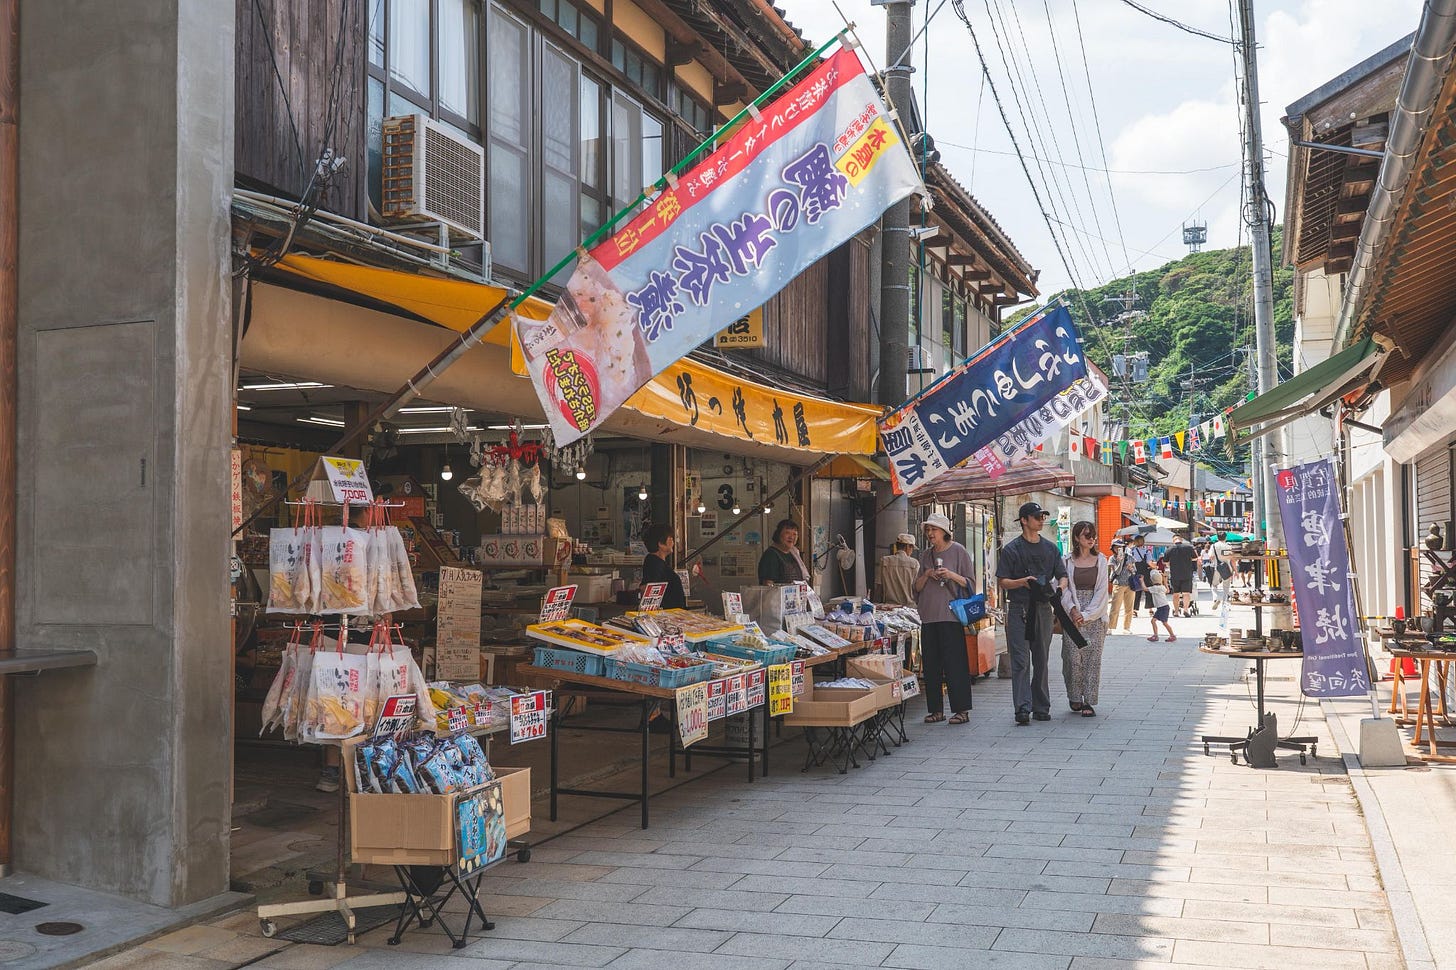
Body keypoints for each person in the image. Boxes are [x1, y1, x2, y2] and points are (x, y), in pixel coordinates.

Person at [996, 501, 1068, 726]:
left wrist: (1059, 589)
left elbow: (1063, 575)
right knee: (1020, 660)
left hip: (1044, 608)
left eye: (1043, 516)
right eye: (1037, 517)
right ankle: (1022, 708)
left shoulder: (1050, 548)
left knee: (1041, 659)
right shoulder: (1012, 549)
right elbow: (1003, 581)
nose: (1041, 520)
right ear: (1024, 520)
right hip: (1019, 608)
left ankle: (1041, 706)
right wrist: (1023, 582)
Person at [913, 512, 976, 725]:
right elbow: (917, 588)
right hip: (929, 616)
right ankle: (936, 710)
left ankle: (961, 710)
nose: (930, 533)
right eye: (928, 530)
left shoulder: (959, 551)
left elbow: (970, 583)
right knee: (931, 666)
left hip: (951, 616)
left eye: (934, 529)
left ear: (944, 532)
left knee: (955, 664)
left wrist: (950, 575)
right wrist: (927, 574)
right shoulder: (925, 555)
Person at [1061, 521, 1109, 717]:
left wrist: (1087, 614)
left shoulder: (1101, 560)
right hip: (1071, 613)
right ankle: (1074, 696)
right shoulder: (1066, 561)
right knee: (1072, 658)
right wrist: (1072, 610)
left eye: (1093, 535)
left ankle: (1089, 700)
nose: (1091, 539)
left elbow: (1102, 591)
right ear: (1076, 538)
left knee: (1092, 659)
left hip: (1095, 614)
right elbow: (1062, 588)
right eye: (1087, 535)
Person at [641, 522, 687, 610]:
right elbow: (646, 588)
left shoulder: (658, 562)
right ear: (660, 544)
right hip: (667, 615)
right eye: (670, 539)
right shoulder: (654, 562)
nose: (673, 542)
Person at [758, 519, 811, 585]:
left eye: (794, 534)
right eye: (787, 533)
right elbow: (768, 584)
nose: (791, 537)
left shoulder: (794, 553)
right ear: (778, 534)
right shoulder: (771, 555)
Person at [875, 532, 920, 606]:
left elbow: (879, 586)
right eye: (912, 548)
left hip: (889, 606)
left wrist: (876, 604)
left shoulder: (884, 561)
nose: (912, 551)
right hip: (909, 607)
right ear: (908, 547)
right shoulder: (915, 563)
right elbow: (917, 588)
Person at [1163, 535, 1197, 617]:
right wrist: (1187, 560)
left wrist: (1171, 564)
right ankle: (1185, 610)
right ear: (1181, 540)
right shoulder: (1188, 547)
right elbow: (1195, 558)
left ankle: (1176, 612)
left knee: (1176, 594)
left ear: (1173, 541)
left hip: (1175, 574)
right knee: (1186, 593)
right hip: (1187, 573)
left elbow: (1165, 562)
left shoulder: (1169, 549)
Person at [1108, 538, 1136, 633]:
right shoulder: (1112, 558)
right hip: (1118, 584)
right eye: (1116, 547)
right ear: (1112, 548)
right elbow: (1117, 572)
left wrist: (1131, 569)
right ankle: (1110, 627)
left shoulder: (1130, 557)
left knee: (1129, 607)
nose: (1118, 549)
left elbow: (1135, 571)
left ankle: (1126, 627)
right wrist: (1120, 562)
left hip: (1130, 584)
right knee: (1115, 607)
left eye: (1120, 547)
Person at [1146, 569, 1176, 642]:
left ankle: (1172, 635)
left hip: (1163, 607)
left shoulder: (1154, 588)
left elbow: (1144, 588)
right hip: (1162, 607)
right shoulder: (1162, 587)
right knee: (1153, 621)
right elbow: (1168, 590)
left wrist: (1141, 581)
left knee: (1164, 623)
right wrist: (1165, 581)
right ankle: (1155, 635)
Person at [1128, 535, 1153, 616]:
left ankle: (1134, 611)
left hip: (1136, 572)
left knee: (1137, 591)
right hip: (1146, 573)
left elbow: (1129, 563)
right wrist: (1155, 567)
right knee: (1148, 590)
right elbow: (1149, 563)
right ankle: (1150, 610)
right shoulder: (1147, 551)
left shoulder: (1131, 551)